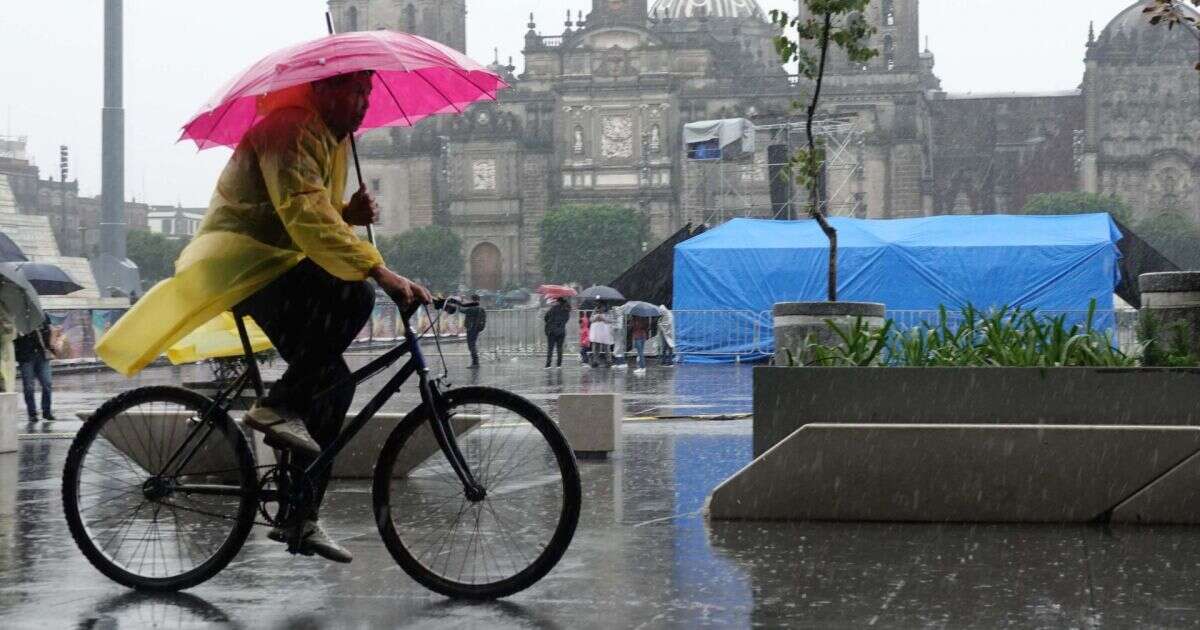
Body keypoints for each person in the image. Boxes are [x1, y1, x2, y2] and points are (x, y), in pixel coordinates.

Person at [96, 71, 432, 564]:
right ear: (321, 90)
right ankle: (274, 407)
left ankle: (301, 514)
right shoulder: (290, 129)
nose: (363, 102)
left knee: (332, 384)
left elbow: (312, 210)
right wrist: (380, 271)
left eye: (367, 92)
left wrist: (347, 214)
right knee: (357, 297)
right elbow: (301, 214)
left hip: (274, 262)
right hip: (241, 263)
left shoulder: (331, 140)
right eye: (352, 91)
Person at [14, 316, 54, 422]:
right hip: (25, 357)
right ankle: (32, 414)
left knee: (47, 384)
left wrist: (51, 342)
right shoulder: (18, 318)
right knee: (29, 387)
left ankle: (47, 412)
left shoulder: (42, 315)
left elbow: (50, 330)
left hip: (42, 354)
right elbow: (13, 337)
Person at [543, 297, 571, 369]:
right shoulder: (566, 310)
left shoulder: (553, 308)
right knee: (559, 348)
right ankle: (559, 365)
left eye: (556, 301)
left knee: (550, 348)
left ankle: (548, 365)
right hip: (561, 331)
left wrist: (550, 323)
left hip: (552, 331)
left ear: (558, 301)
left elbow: (546, 317)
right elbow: (566, 320)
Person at [461, 293, 486, 368]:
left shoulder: (472, 308)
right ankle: (475, 362)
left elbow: (462, 310)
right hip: (477, 328)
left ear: (472, 300)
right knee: (472, 344)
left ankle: (475, 363)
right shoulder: (480, 308)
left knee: (471, 345)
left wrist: (460, 302)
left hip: (471, 328)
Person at [610, 303, 628, 369]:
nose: (614, 311)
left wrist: (614, 327)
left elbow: (618, 326)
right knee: (617, 348)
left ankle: (622, 363)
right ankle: (618, 363)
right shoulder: (615, 316)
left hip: (619, 333)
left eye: (615, 310)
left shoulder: (620, 316)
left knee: (619, 348)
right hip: (616, 334)